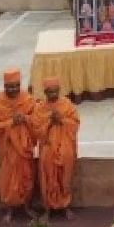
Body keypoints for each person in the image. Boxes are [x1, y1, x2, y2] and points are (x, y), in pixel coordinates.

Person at [0, 69, 37, 223]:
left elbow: (37, 120)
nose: (13, 89)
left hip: (24, 148)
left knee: (26, 176)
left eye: (16, 86)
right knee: (8, 178)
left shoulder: (27, 99)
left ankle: (26, 206)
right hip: (8, 148)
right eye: (10, 86)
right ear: (4, 86)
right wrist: (10, 122)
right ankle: (9, 209)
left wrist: (25, 118)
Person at [32, 77, 80, 219]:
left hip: (65, 148)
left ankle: (65, 206)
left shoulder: (67, 105)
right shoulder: (39, 108)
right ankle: (47, 209)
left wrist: (62, 120)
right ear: (45, 92)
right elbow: (36, 131)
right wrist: (49, 122)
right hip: (48, 148)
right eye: (50, 92)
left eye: (55, 91)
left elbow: (75, 124)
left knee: (65, 178)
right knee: (47, 178)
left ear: (59, 91)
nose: (53, 94)